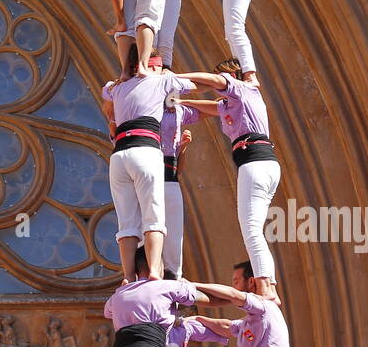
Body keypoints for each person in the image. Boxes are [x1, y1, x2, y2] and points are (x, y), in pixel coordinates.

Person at [177, 60, 281, 303]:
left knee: (252, 230)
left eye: (223, 79)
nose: (219, 85)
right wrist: (179, 101)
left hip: (254, 164)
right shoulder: (233, 105)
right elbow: (209, 106)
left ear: (233, 76)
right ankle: (270, 286)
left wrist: (173, 79)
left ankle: (266, 288)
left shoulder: (243, 89)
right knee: (254, 230)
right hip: (262, 164)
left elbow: (215, 83)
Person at [102, 247, 248, 347]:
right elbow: (212, 301)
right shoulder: (167, 286)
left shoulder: (120, 293)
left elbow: (107, 312)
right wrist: (241, 298)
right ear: (158, 265)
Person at [100, 47, 194, 282]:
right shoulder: (158, 82)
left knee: (127, 221)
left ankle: (128, 276)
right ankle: (153, 271)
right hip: (145, 150)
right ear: (149, 64)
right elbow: (197, 83)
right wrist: (227, 84)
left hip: (119, 155)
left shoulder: (117, 88)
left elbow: (106, 102)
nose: (162, 69)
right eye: (159, 65)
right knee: (154, 218)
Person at [193, 260, 294, 347]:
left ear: (251, 281)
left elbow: (233, 295)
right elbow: (227, 327)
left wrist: (192, 285)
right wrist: (197, 319)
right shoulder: (254, 319)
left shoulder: (263, 306)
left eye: (236, 281)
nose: (233, 286)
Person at [159, 102, 198, 279]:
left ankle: (173, 277)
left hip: (170, 182)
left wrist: (183, 147)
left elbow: (177, 171)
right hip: (151, 183)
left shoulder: (176, 118)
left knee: (174, 239)